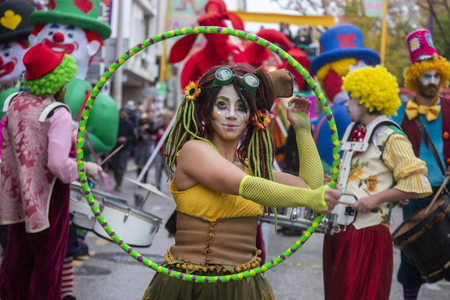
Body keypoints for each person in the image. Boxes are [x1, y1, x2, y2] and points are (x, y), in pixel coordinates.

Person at [141, 64, 340, 300]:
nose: (232, 115)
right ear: (206, 109)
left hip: (243, 286)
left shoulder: (251, 167)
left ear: (252, 117)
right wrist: (312, 199)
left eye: (242, 107)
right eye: (222, 105)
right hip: (189, 286)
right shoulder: (193, 151)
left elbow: (311, 185)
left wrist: (303, 128)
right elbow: (244, 186)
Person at [322, 65, 432, 300]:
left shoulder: (390, 136)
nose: (346, 103)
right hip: (340, 228)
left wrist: (378, 198)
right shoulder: (354, 130)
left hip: (367, 233)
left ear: (366, 98)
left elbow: (417, 183)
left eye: (351, 97)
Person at [0, 43, 99, 300]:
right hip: (48, 199)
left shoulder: (12, 103)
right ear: (59, 80)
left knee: (15, 261)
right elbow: (57, 165)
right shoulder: (58, 112)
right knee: (47, 265)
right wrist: (85, 168)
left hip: (15, 195)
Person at [390, 29, 450, 300]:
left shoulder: (449, 108)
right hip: (414, 194)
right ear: (415, 78)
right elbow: (388, 154)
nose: (433, 80)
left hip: (446, 192)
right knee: (412, 256)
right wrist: (395, 188)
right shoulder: (399, 114)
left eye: (437, 75)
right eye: (427, 75)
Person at [110, 108, 136, 192]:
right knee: (114, 166)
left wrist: (125, 139)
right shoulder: (115, 123)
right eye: (121, 112)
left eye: (124, 112)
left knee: (121, 167)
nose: (122, 114)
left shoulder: (129, 124)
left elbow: (133, 137)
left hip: (124, 148)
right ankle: (117, 182)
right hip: (114, 147)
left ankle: (119, 184)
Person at [154, 110, 174, 190]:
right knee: (158, 168)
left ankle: (174, 185)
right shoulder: (161, 127)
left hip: (167, 151)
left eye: (167, 119)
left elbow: (172, 139)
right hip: (159, 150)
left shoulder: (173, 128)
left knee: (168, 169)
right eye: (164, 119)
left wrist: (164, 135)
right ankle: (157, 185)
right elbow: (153, 130)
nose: (166, 121)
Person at [135, 112, 157, 183]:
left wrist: (148, 128)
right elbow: (136, 139)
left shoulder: (150, 129)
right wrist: (141, 131)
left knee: (146, 165)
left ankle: (145, 180)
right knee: (139, 165)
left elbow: (153, 133)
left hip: (147, 149)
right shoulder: (138, 128)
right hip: (140, 149)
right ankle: (139, 179)